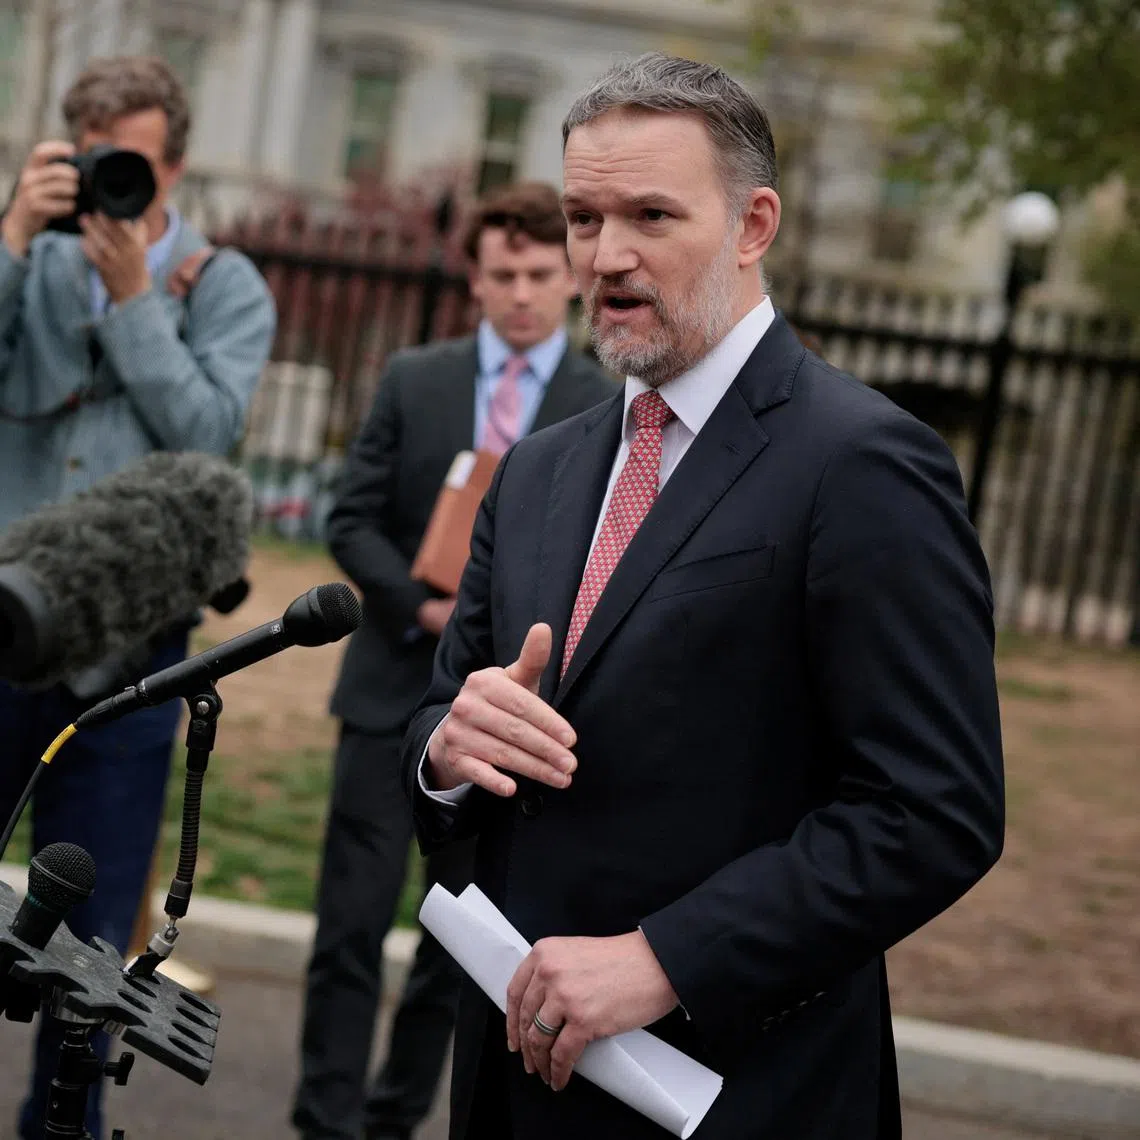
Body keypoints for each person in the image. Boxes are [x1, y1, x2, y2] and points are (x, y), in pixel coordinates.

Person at [403, 53, 1005, 1140]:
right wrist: (446, 754)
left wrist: (668, 959)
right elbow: (444, 721)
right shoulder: (537, 469)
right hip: (514, 1079)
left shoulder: (863, 462)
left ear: (752, 223)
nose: (608, 256)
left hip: (737, 1092)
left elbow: (931, 812)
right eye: (585, 218)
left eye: (650, 214)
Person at [293, 181, 615, 1140]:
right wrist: (423, 606)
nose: (521, 292)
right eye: (501, 274)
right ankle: (326, 1120)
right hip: (391, 686)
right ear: (473, 280)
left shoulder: (602, 403)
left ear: (568, 279)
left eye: (539, 273)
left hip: (509, 714)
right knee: (349, 926)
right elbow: (347, 517)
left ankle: (395, 1121)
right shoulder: (414, 378)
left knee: (459, 945)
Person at [0, 56, 275, 1140]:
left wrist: (131, 304)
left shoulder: (225, 284)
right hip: (3, 618)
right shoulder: (30, 257)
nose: (121, 182)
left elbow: (210, 436)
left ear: (176, 162)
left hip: (133, 655)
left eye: (138, 161)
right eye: (97, 155)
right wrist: (15, 232)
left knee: (91, 940)